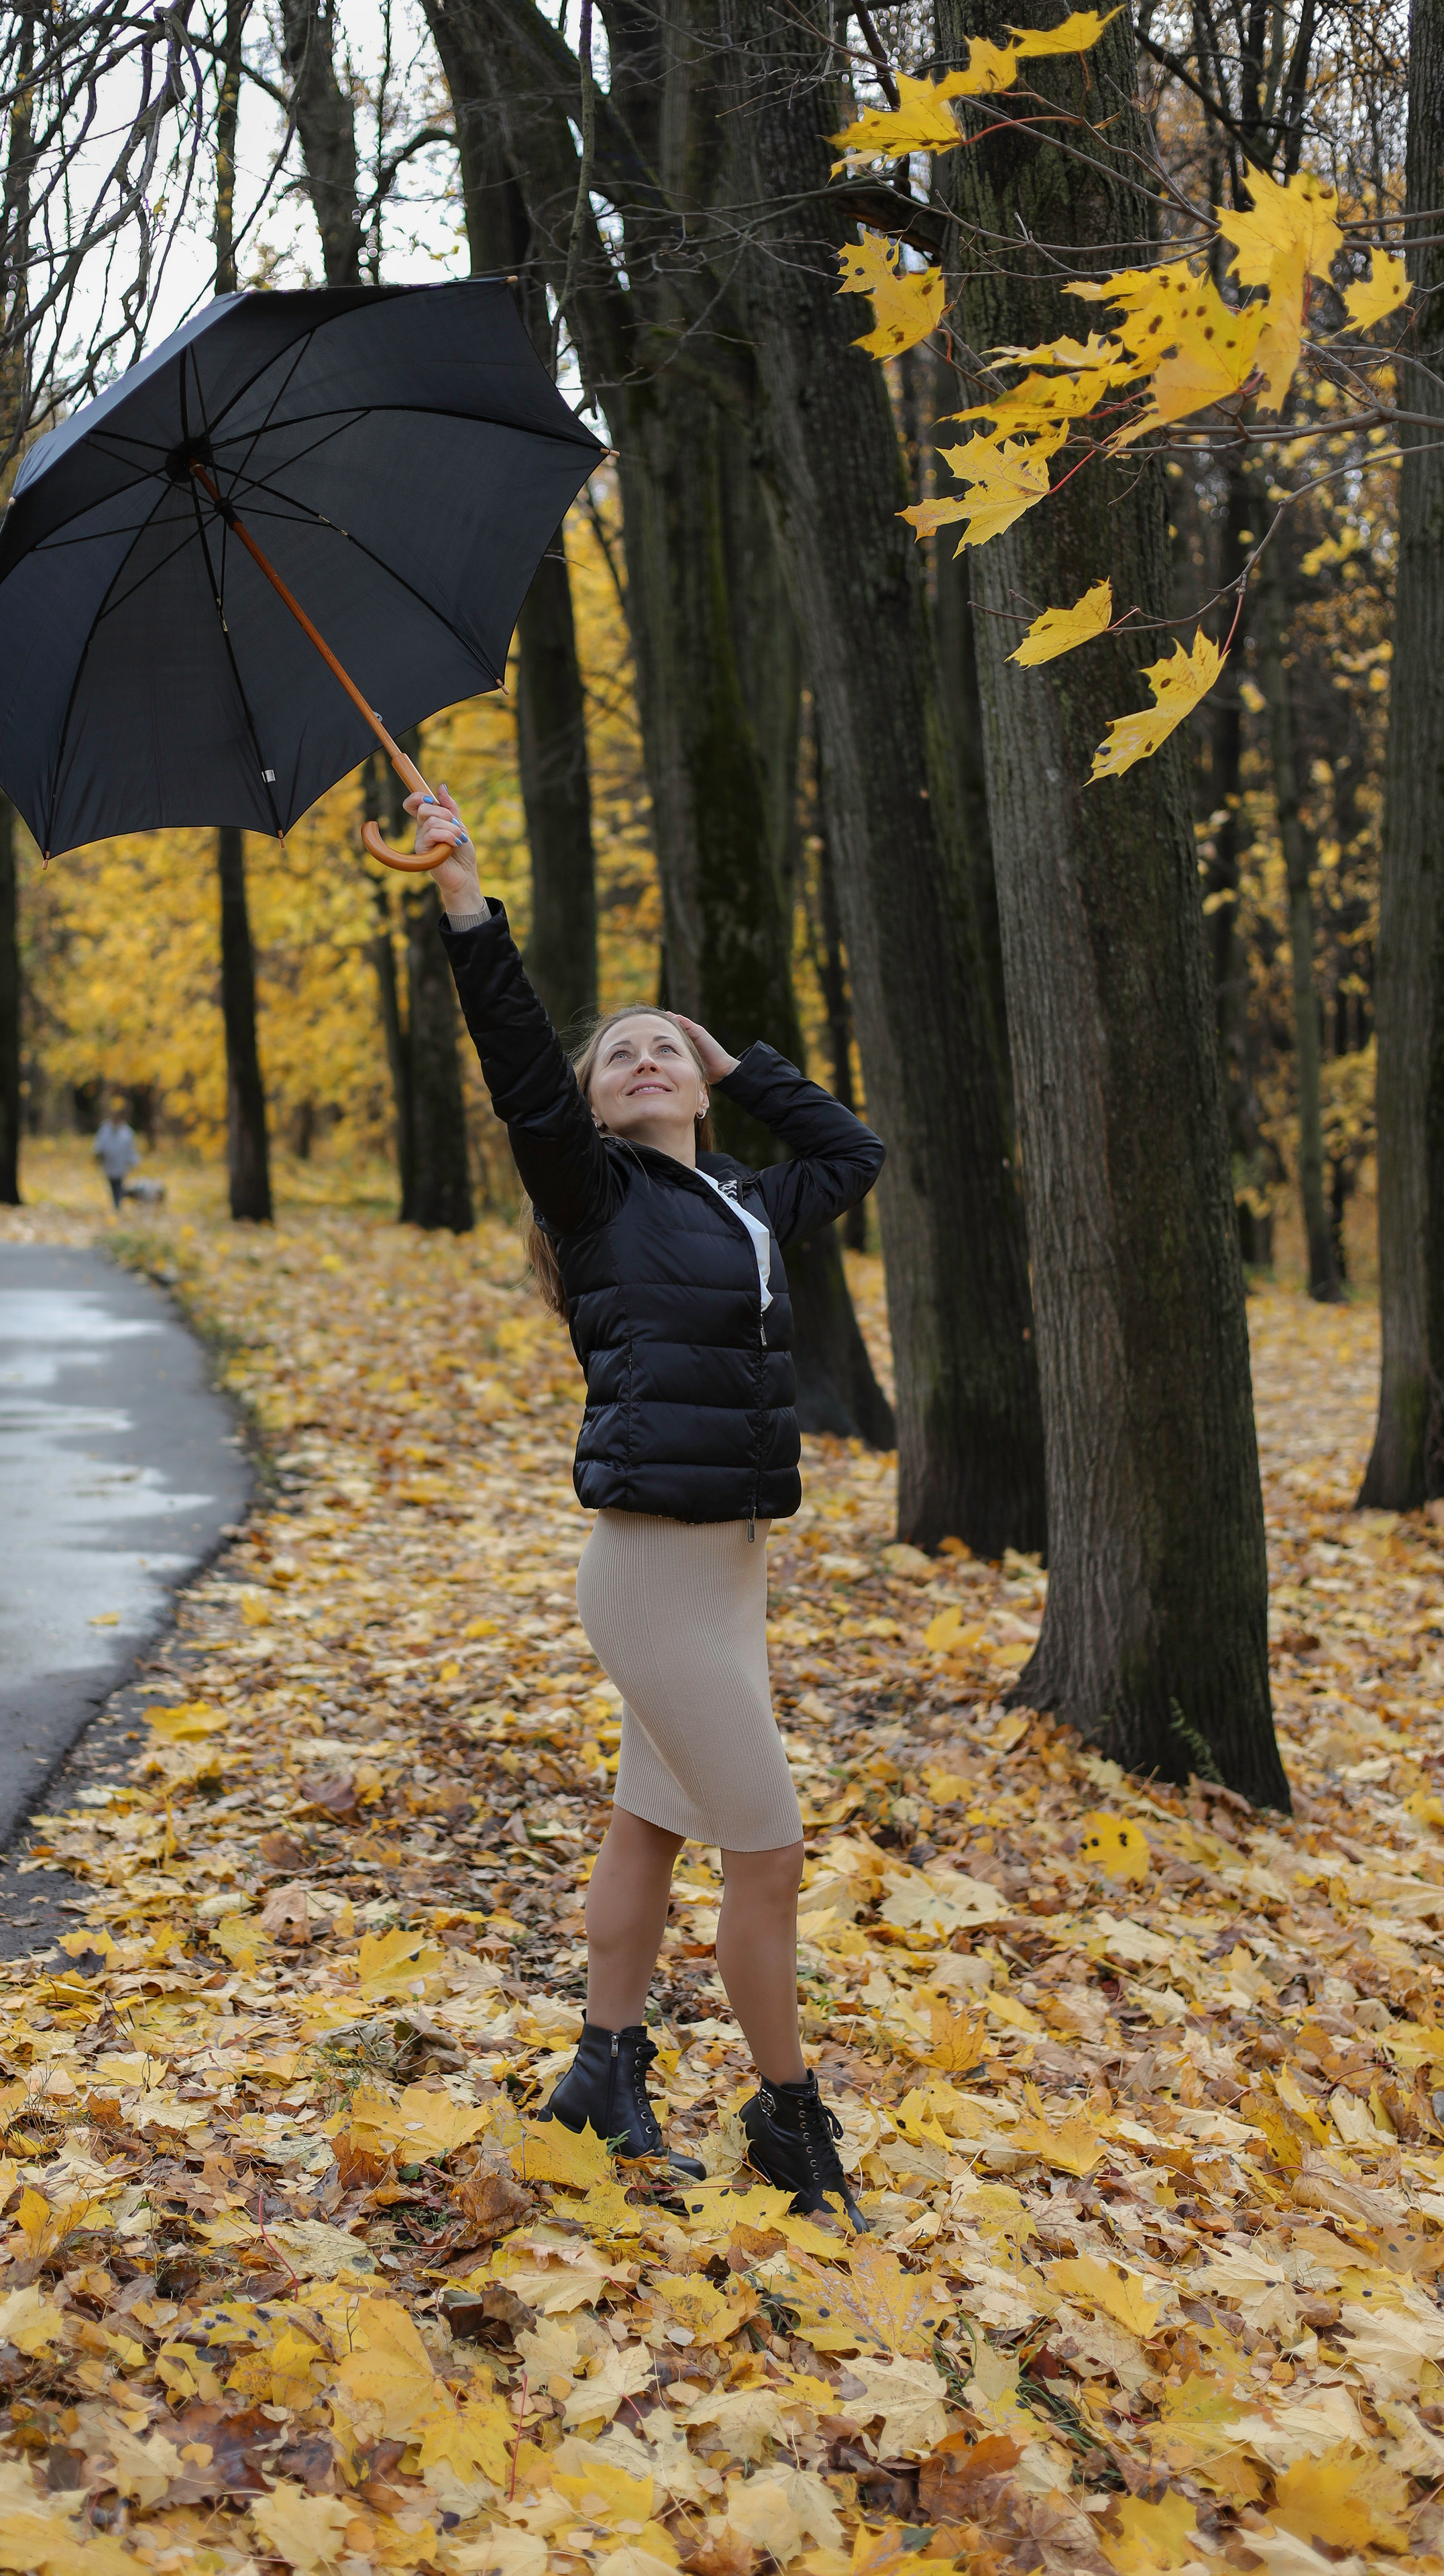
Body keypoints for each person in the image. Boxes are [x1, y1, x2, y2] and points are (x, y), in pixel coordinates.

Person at [412, 780, 885, 2226]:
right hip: (647, 1571)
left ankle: (600, 2076)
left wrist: (740, 1058)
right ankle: (787, 2124)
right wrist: (463, 900)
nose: (634, 1066)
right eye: (615, 1056)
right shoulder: (591, 1194)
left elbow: (850, 1156)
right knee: (770, 1851)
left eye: (657, 1053)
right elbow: (517, 1067)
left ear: (693, 1080)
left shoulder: (747, 1202)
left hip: (731, 1570)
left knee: (652, 1829)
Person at [93, 1102, 139, 1208]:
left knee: (119, 1184)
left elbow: (130, 1149)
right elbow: (99, 1145)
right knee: (113, 1184)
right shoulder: (105, 1129)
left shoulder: (126, 1132)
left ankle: (118, 1204)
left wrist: (133, 1161)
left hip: (121, 1165)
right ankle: (117, 1202)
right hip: (109, 1164)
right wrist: (97, 1155)